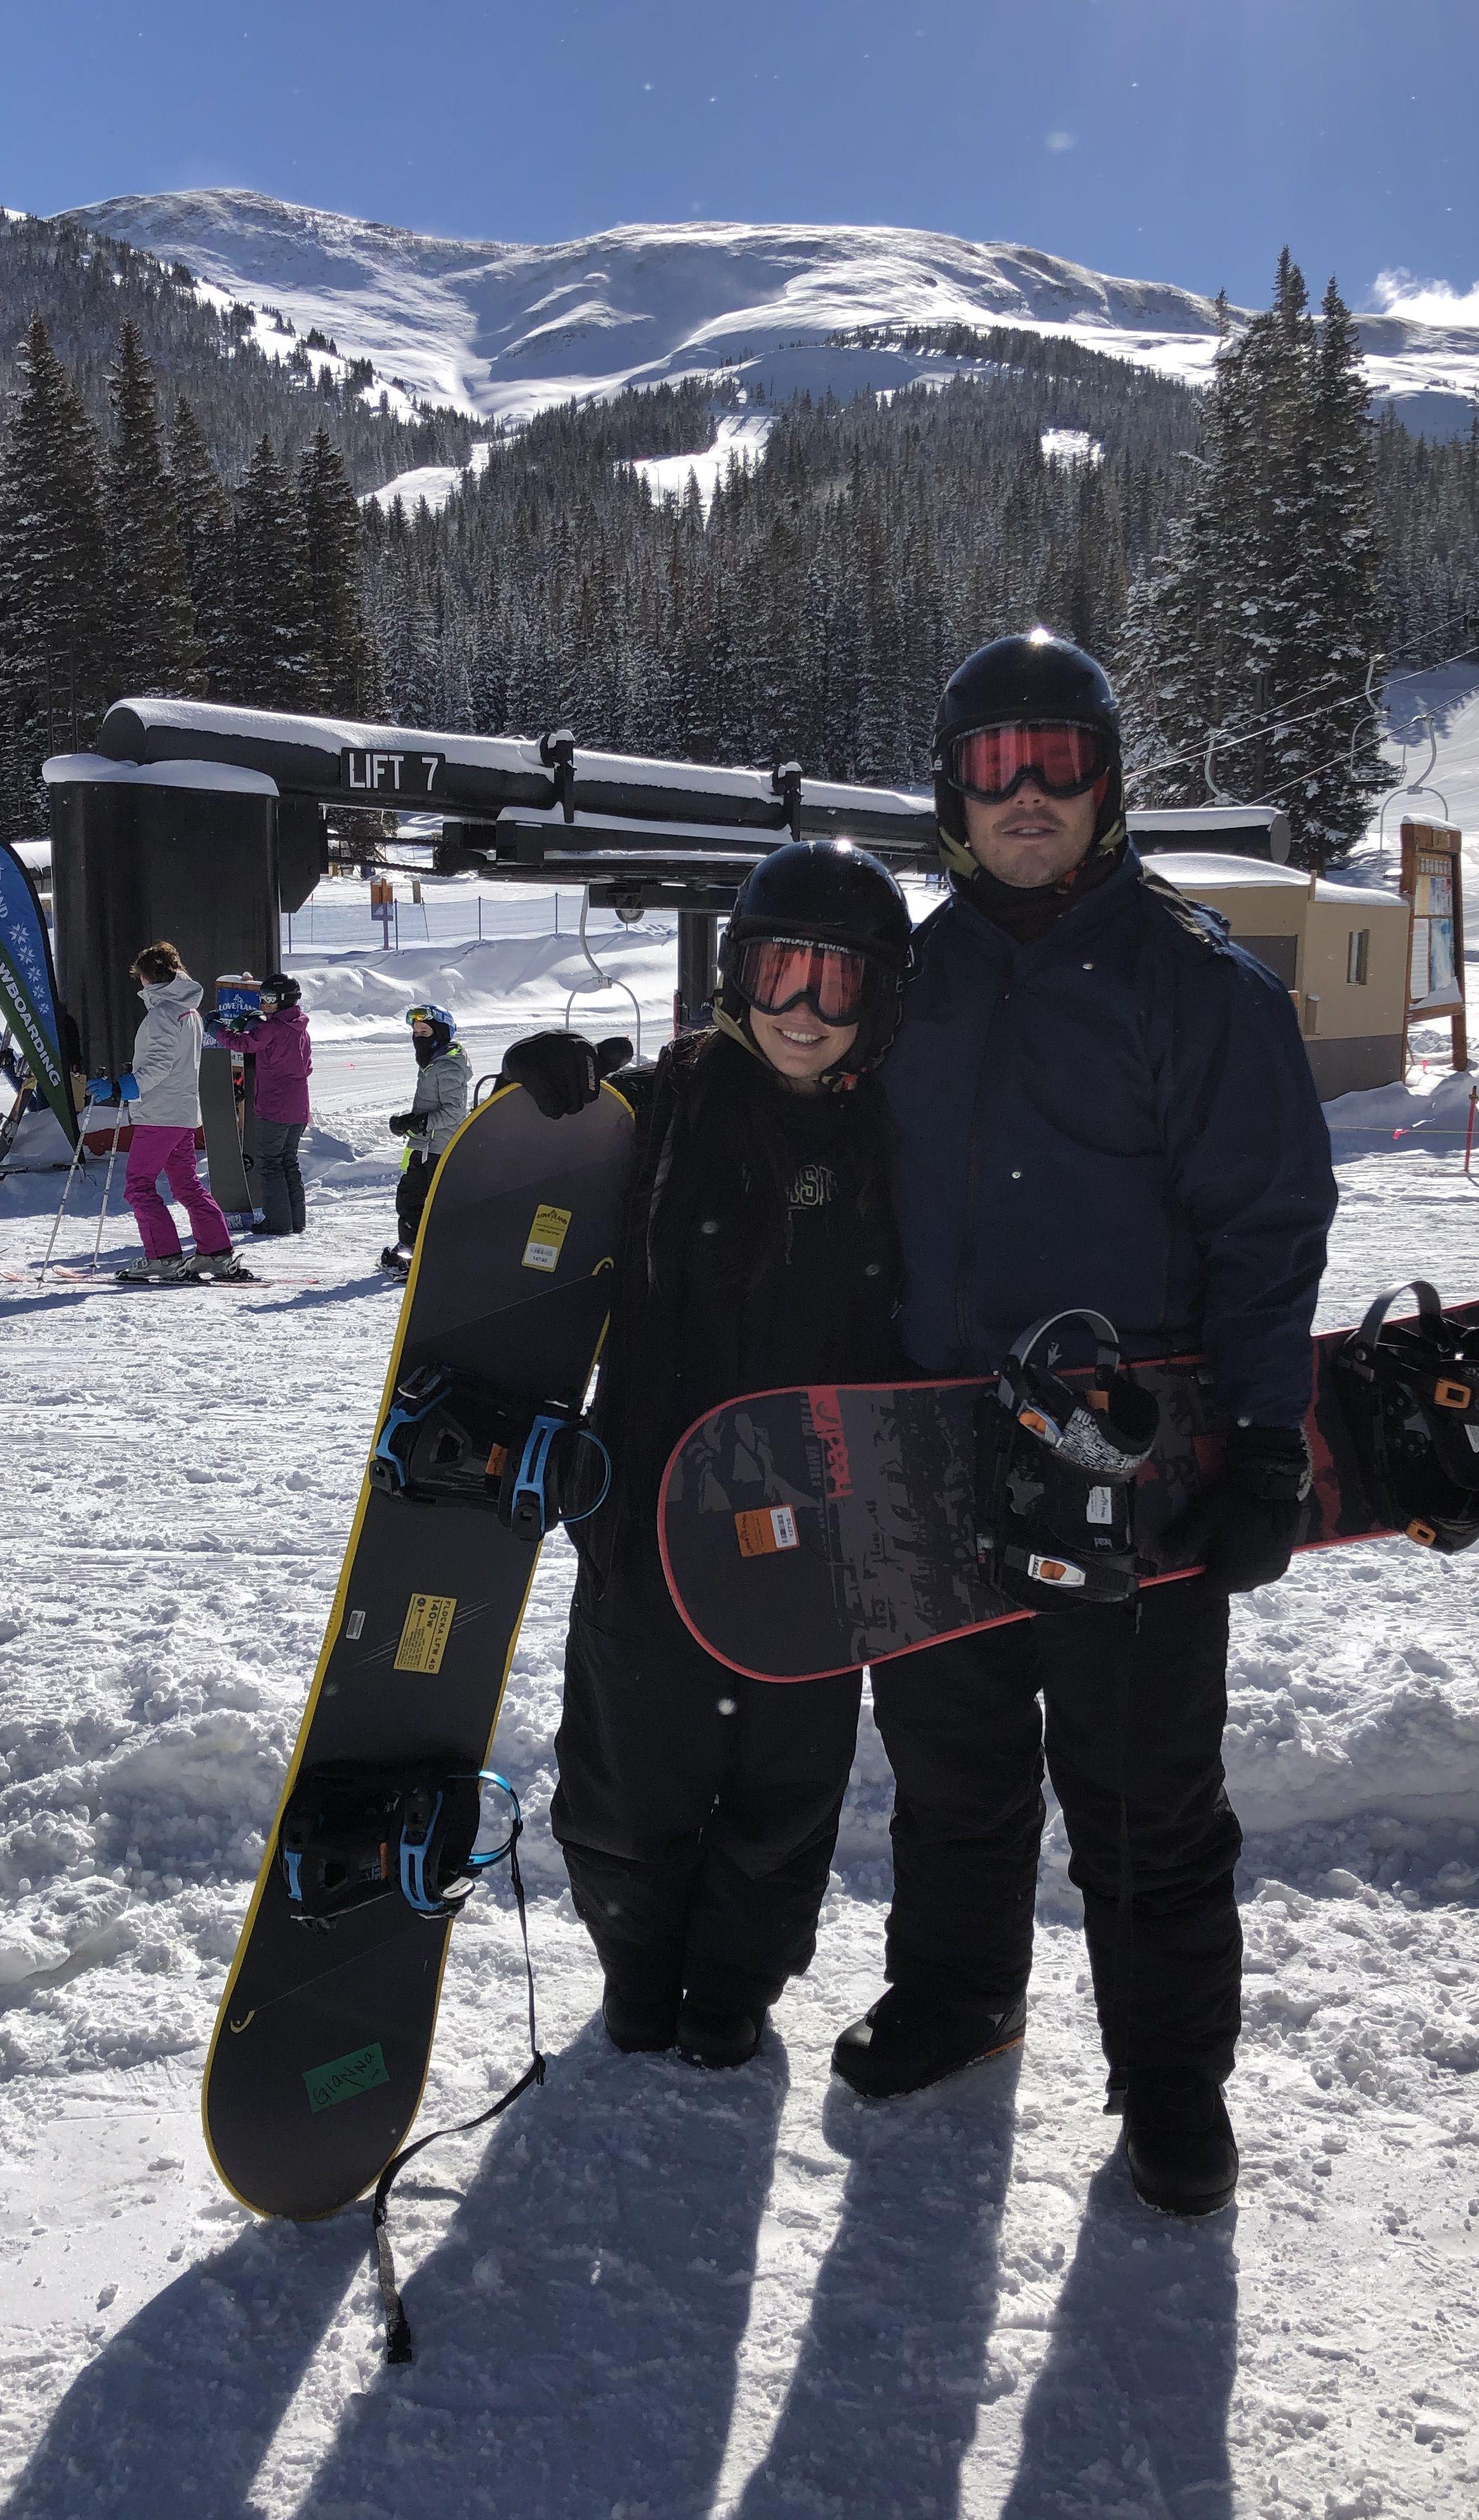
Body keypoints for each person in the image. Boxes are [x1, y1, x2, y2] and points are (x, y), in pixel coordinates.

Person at [838, 631, 1337, 2220]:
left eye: (1060, 759)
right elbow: (781, 1092)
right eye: (997, 765)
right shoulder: (903, 980)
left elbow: (1269, 1227)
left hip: (1139, 1459)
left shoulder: (1196, 983)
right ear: (951, 793)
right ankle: (962, 1996)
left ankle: (1173, 2081)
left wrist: (1269, 1440)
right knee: (952, 1767)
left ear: (1110, 782)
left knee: (1144, 1793)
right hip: (936, 1449)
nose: (1030, 792)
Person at [501, 843, 914, 2070]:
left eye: (834, 985)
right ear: (737, 976)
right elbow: (479, 1233)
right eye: (779, 973)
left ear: (875, 999)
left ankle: (734, 1978)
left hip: (819, 1520)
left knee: (787, 1770)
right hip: (650, 1507)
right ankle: (636, 1964)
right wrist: (548, 1112)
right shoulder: (667, 1105)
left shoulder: (897, 1132)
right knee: (635, 1752)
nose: (801, 1011)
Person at [106, 941, 250, 1286]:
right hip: (183, 1113)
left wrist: (126, 1086)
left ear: (146, 978)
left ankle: (164, 1257)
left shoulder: (163, 1014)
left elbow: (159, 1064)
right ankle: (217, 1252)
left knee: (139, 1186)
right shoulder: (189, 1011)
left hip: (160, 1114)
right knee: (186, 1185)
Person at [212, 973, 312, 1237]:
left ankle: (277, 1222)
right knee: (288, 1161)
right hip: (298, 1107)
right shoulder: (300, 1028)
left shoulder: (271, 1028)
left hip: (275, 1107)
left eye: (269, 998)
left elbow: (242, 1043)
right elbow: (307, 1066)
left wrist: (216, 1030)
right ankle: (295, 1219)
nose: (264, 1003)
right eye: (262, 997)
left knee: (271, 1163)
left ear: (283, 1000)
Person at [379, 1003, 470, 1274]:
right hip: (424, 1147)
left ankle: (423, 1259)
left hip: (438, 1150)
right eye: (416, 1031)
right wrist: (408, 1122)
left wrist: (420, 1123)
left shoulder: (448, 1066)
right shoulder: (433, 1063)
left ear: (440, 1033)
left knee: (423, 1203)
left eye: (425, 1030)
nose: (419, 1036)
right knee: (410, 1201)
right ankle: (410, 1252)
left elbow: (454, 1112)